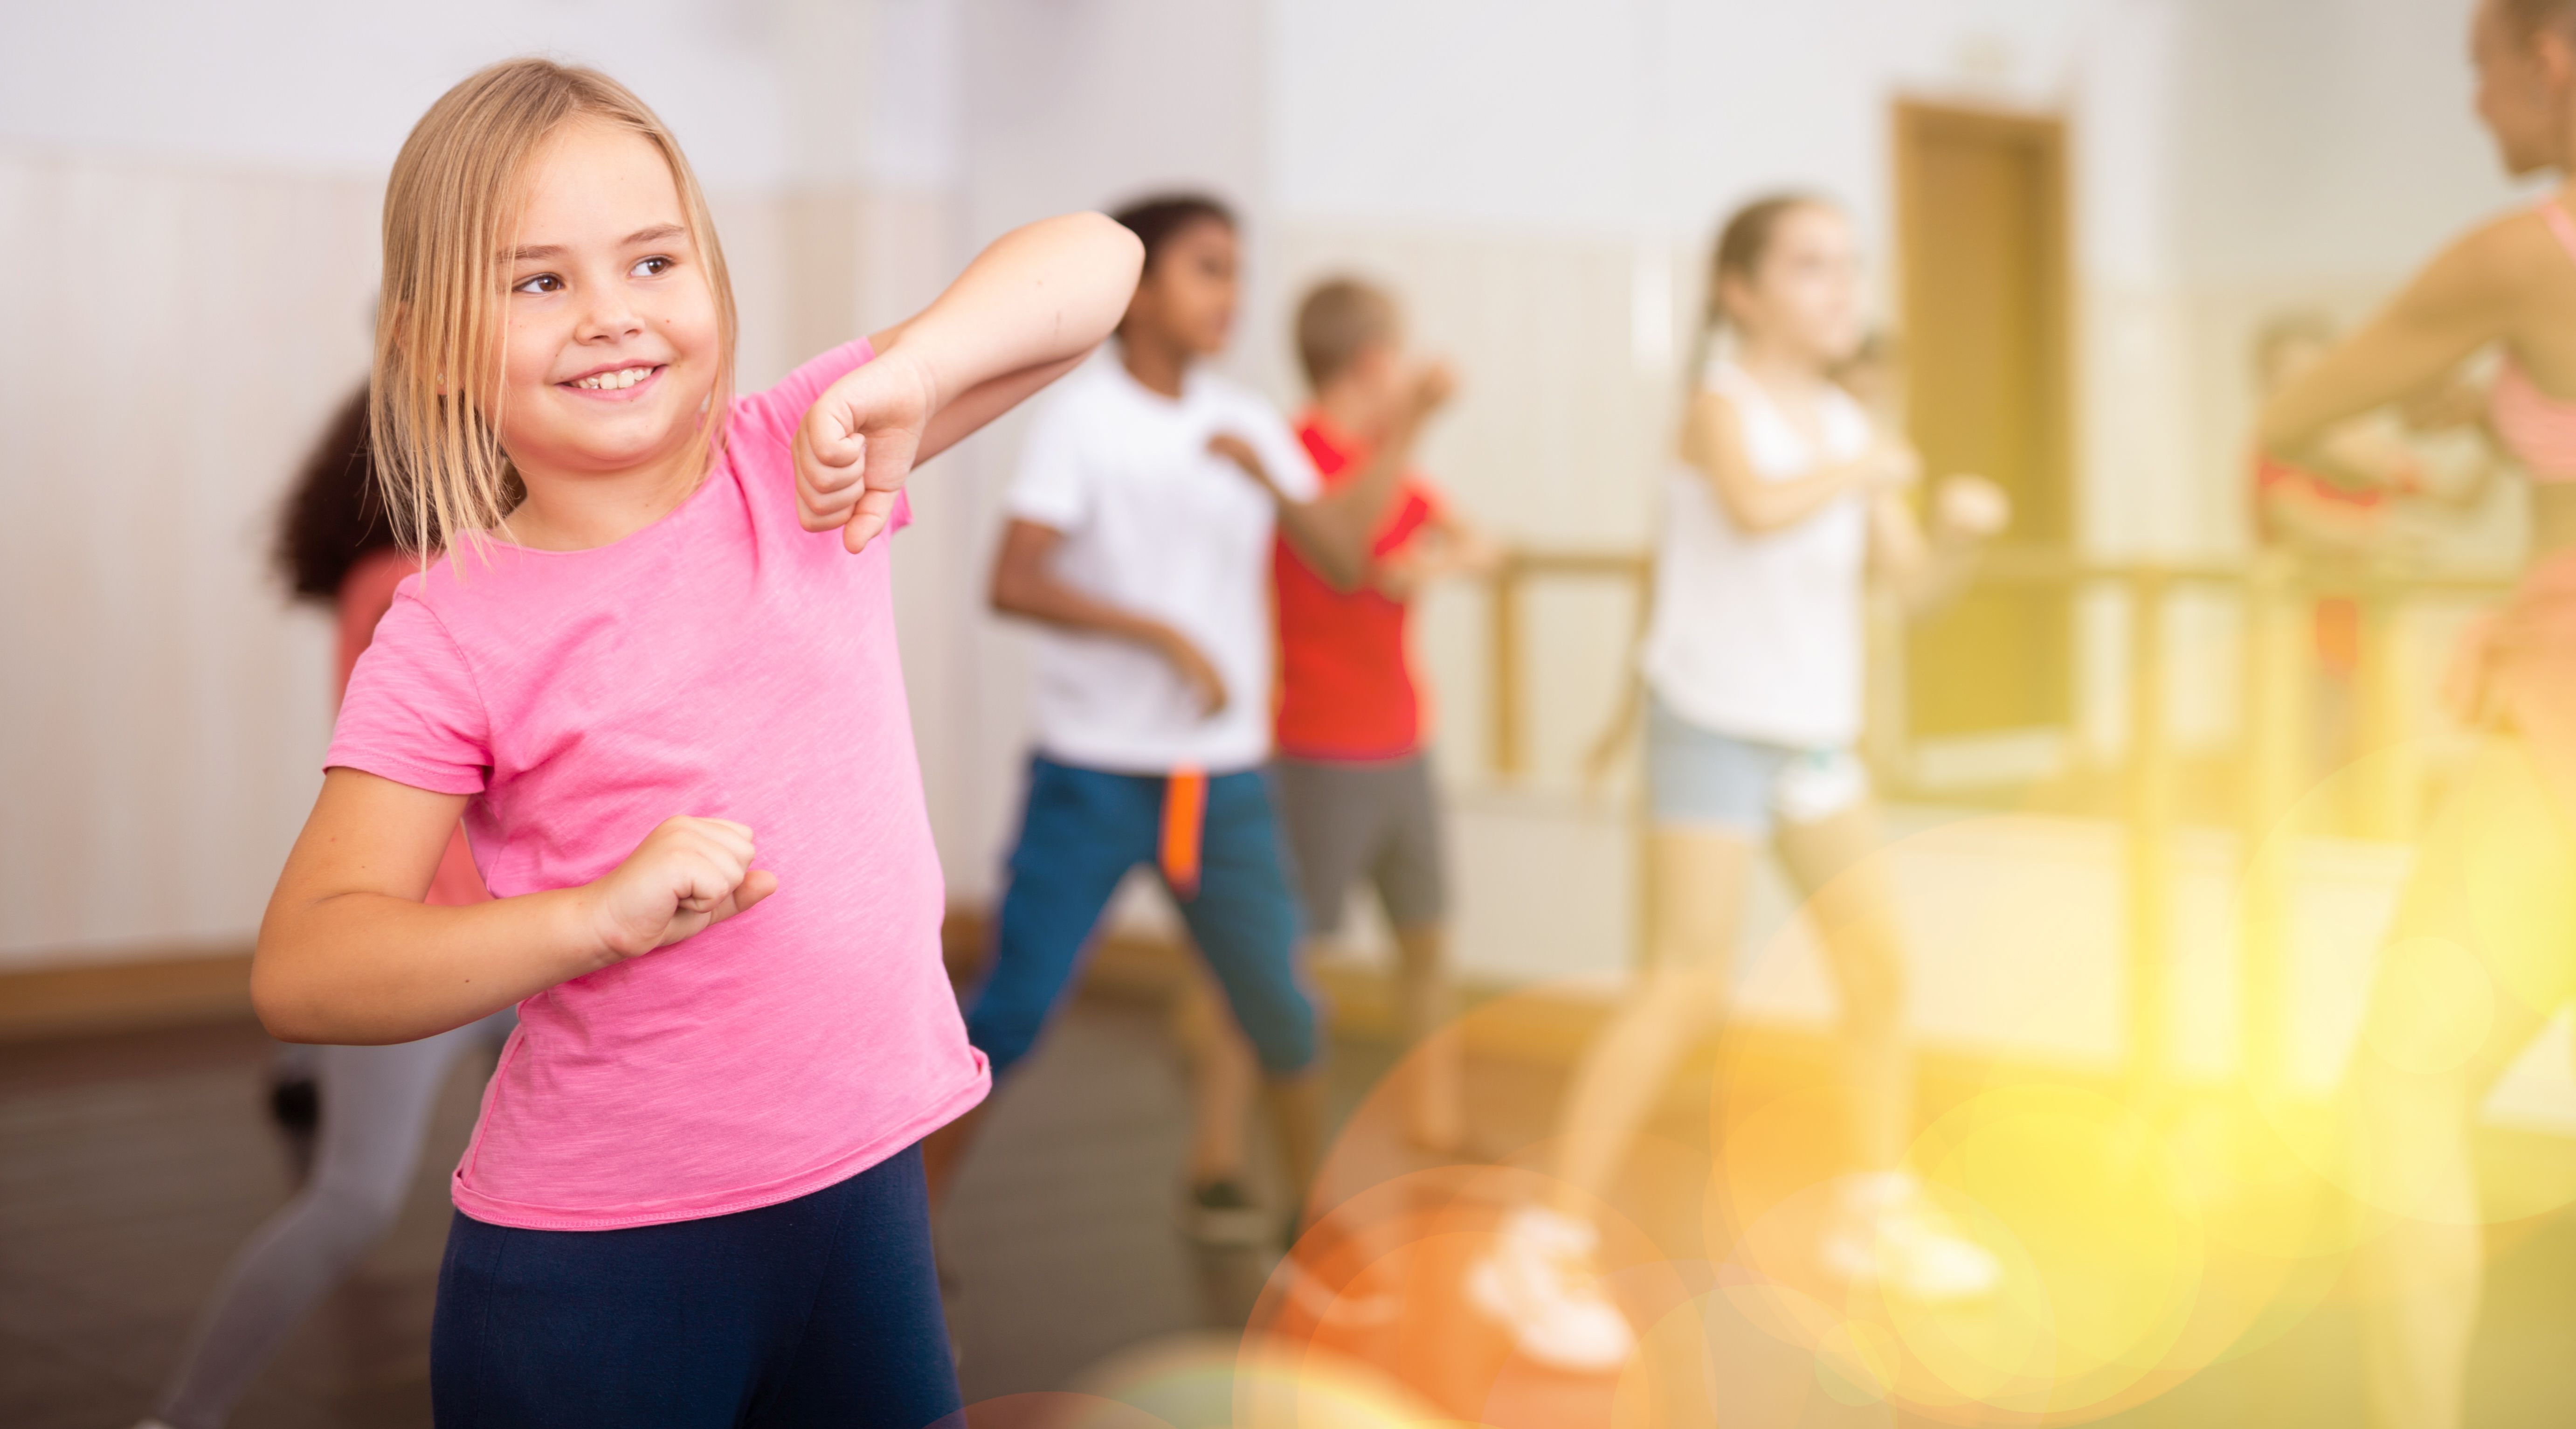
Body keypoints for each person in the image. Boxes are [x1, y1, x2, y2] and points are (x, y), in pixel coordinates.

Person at [247, 58, 1141, 1428]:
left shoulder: (802, 457)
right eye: (538, 281)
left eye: (652, 260)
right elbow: (310, 962)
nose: (612, 313)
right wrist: (588, 918)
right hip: (594, 1270)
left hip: (861, 1200)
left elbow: (1098, 263)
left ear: (710, 280)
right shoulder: (449, 631)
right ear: (430, 348)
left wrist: (909, 372)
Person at [1464, 194, 2010, 1373]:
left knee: (1880, 963)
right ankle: (1538, 1242)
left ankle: (1875, 1207)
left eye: (1850, 265)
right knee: (1683, 986)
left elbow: (1905, 588)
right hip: (1711, 724)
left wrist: (1957, 531)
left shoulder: (1842, 420)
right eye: (1812, 267)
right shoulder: (1723, 407)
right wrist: (1866, 458)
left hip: (1813, 734)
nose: (1842, 287)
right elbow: (1757, 514)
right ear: (1741, 291)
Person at [920, 196, 1439, 1249]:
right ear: (1140, 288)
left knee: (1285, 1010)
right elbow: (1012, 580)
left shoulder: (1244, 420)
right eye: (1206, 269)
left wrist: (1303, 466)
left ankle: (1315, 1221)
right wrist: (1161, 634)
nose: (1230, 297)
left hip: (1223, 782)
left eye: (1237, 272)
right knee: (1010, 1014)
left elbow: (1343, 560)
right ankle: (897, 1252)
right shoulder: (1083, 417)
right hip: (1094, 778)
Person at [2260, 4, 2576, 1425]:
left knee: (2397, 1091)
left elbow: (2293, 417)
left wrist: (2446, 404)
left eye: (2477, 72)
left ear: (2549, 60)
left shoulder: (2523, 254)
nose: (2470, 108)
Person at [131, 390, 510, 1429]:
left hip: (527, 945)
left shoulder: (420, 575)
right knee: (352, 1201)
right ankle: (179, 1416)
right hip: (430, 952)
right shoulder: (411, 586)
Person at [1178, 276, 1492, 1189]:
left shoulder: (1380, 458)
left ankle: (1434, 1122)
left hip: (1401, 743)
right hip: (1316, 747)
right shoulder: (1300, 455)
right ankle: (1217, 1156)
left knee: (1426, 940)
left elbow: (1481, 542)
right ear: (1371, 362)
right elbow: (1345, 547)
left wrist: (1427, 560)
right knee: (1272, 960)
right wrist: (1409, 442)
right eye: (1397, 351)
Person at [2249, 311, 2498, 781]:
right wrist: (2387, 539)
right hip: (2301, 645)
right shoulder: (2272, 449)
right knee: (2305, 778)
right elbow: (2299, 522)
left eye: (2310, 376)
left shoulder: (2365, 452)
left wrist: (2503, 425)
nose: (2298, 388)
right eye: (2283, 378)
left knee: (2377, 779)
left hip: (2373, 640)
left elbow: (2461, 501)